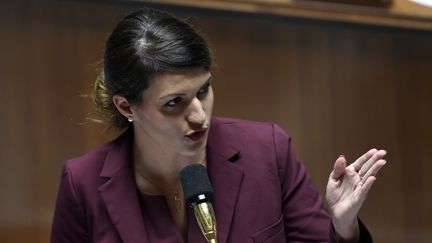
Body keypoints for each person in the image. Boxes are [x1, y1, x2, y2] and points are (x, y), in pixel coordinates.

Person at [50, 8, 387, 243]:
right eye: (174, 102)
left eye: (203, 90)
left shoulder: (268, 150)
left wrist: (344, 229)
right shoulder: (82, 184)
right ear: (127, 106)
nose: (199, 115)